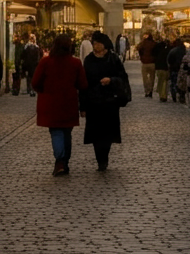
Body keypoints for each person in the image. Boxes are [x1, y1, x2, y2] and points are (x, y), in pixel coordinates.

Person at [33, 34, 88, 176]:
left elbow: (35, 82)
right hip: (68, 103)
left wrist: (44, 91)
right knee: (66, 132)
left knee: (56, 132)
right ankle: (64, 161)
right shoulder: (75, 63)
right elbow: (82, 84)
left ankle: (60, 161)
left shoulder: (46, 62)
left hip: (50, 103)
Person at [81, 31, 127, 171]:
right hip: (93, 101)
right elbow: (83, 83)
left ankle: (104, 157)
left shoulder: (113, 59)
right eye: (94, 43)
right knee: (96, 133)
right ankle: (99, 159)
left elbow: (122, 78)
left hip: (109, 101)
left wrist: (111, 80)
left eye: (98, 43)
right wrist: (82, 106)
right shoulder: (89, 60)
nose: (96, 46)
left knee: (108, 133)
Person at [166, 37, 187, 103]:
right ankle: (181, 95)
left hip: (174, 69)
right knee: (182, 83)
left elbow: (169, 60)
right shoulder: (185, 51)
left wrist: (170, 66)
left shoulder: (173, 50)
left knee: (174, 83)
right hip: (183, 69)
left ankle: (174, 95)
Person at [152, 35, 173, 101]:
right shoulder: (169, 50)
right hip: (165, 67)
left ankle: (161, 94)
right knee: (165, 82)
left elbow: (153, 54)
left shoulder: (158, 50)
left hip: (159, 67)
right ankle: (163, 95)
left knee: (160, 81)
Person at [137, 32, 157, 98]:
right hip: (152, 63)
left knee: (145, 79)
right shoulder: (154, 43)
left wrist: (141, 58)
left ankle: (146, 91)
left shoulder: (143, 43)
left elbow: (138, 48)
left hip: (144, 63)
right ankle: (150, 91)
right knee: (152, 78)